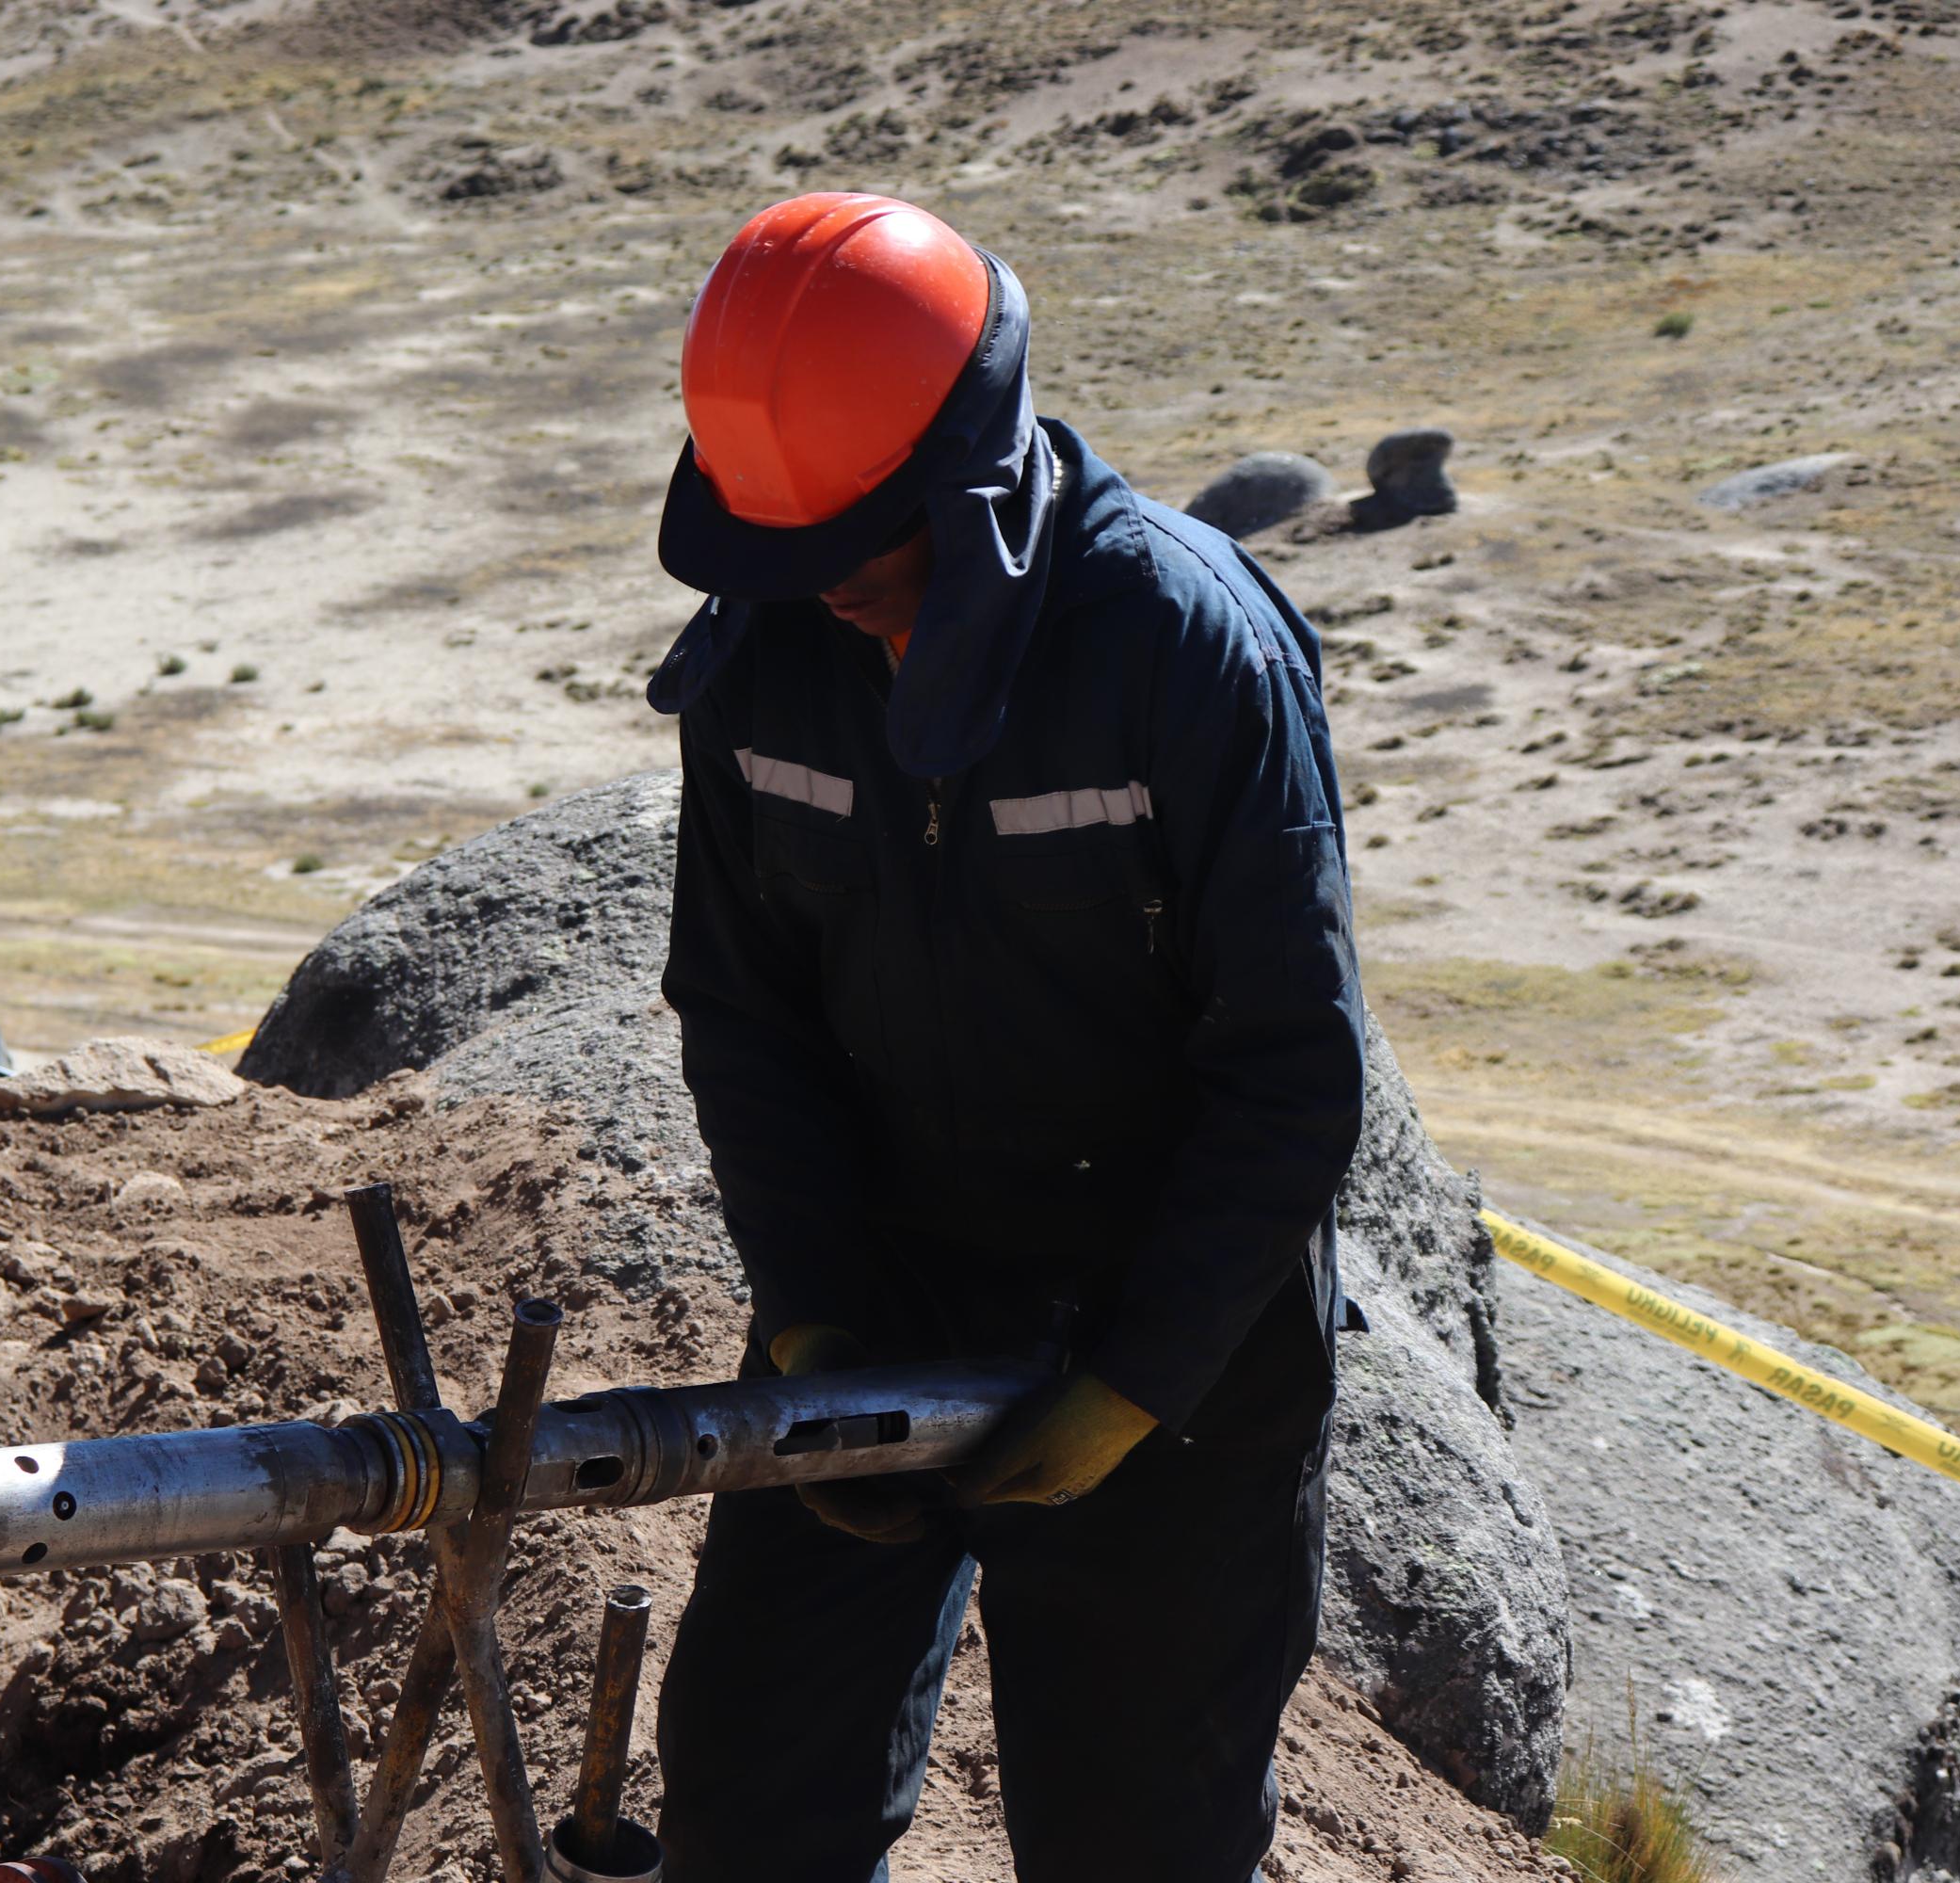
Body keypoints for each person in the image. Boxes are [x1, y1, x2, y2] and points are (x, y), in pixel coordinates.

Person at [646, 193, 1367, 1883]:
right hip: (884, 1292)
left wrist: (1137, 1383)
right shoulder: (767, 658)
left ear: (973, 476)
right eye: (783, 549)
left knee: (1137, 1845)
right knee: (749, 1798)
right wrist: (815, 1321)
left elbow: (1290, 1069)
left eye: (858, 542)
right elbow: (744, 1019)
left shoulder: (1181, 647)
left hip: (1172, 1340)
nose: (819, 586)